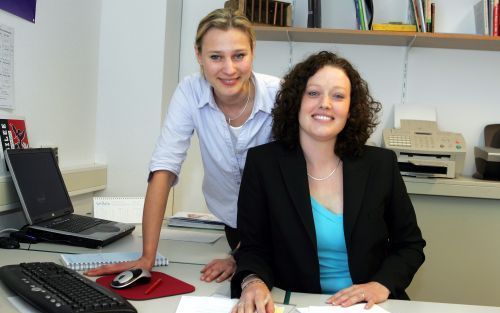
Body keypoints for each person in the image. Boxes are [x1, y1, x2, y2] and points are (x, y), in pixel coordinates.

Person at [85, 8, 280, 283]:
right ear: (198, 55)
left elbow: (297, 181)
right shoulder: (190, 92)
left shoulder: (280, 96)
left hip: (282, 225)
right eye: (215, 57)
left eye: (239, 55)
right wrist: (147, 257)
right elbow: (163, 167)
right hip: (234, 226)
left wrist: (242, 255)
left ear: (253, 51)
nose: (229, 69)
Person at [230, 51, 426, 313]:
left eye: (338, 96)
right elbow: (253, 247)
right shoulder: (263, 164)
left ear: (350, 108)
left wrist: (381, 284)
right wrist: (252, 281)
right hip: (294, 303)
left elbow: (410, 245)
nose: (325, 104)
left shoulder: (380, 165)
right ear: (296, 101)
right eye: (313, 93)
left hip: (369, 306)